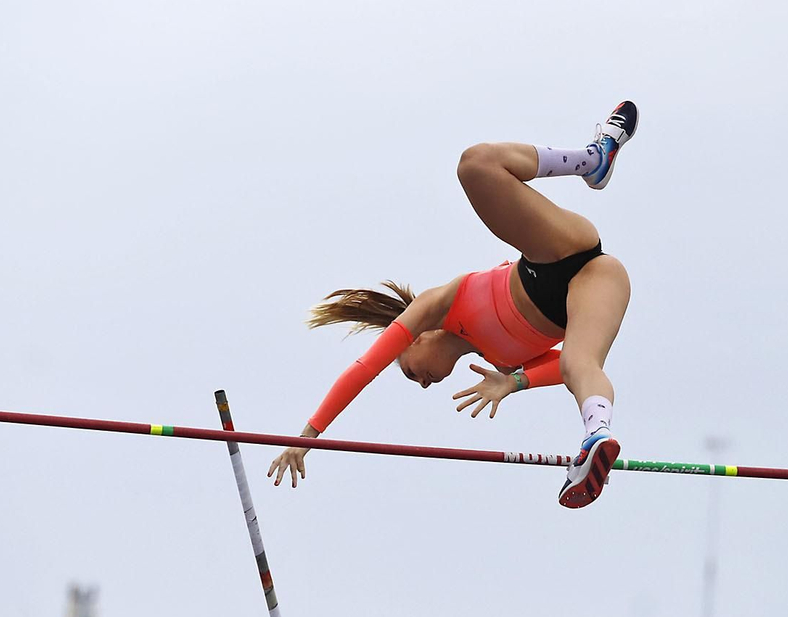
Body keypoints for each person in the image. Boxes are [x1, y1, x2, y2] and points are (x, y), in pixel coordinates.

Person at [268, 101, 638, 508]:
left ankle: (594, 159)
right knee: (580, 366)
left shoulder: (437, 305)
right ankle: (597, 437)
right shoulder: (500, 362)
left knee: (475, 165)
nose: (423, 382)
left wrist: (303, 440)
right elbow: (562, 364)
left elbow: (363, 369)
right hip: (601, 279)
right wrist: (513, 382)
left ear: (416, 337)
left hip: (553, 255)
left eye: (411, 372)